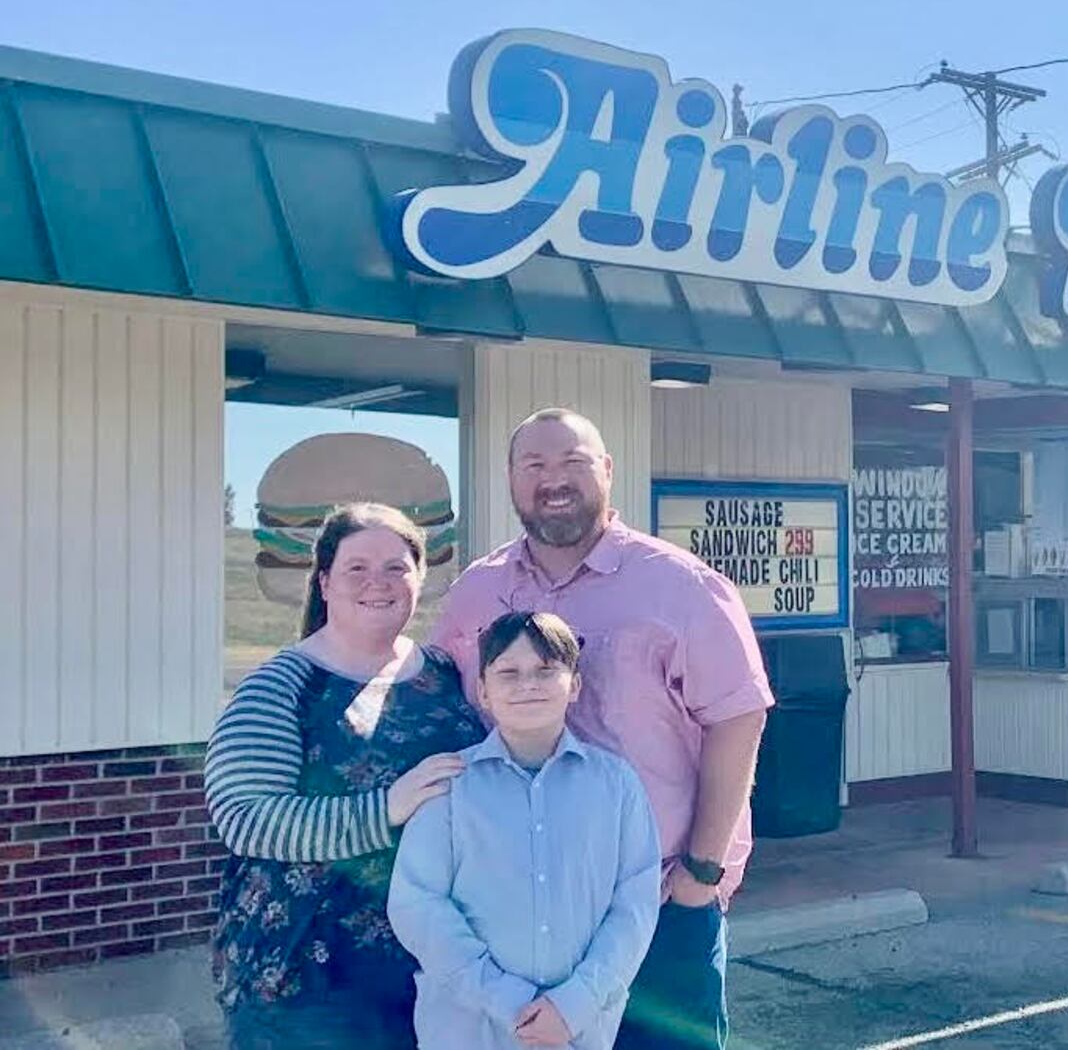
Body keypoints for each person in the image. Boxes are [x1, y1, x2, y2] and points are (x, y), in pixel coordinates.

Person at [432, 408, 772, 1050]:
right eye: (534, 465)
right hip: (515, 907)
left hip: (662, 901)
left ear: (608, 472)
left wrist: (702, 869)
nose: (552, 480)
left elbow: (739, 715)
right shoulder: (477, 593)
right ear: (510, 478)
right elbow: (445, 706)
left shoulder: (681, 586)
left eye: (573, 463)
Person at [206, 503, 486, 1050]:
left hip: (435, 963)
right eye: (357, 568)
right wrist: (385, 808)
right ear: (325, 582)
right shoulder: (284, 685)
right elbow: (246, 820)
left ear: (420, 580)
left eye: (396, 567)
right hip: (306, 975)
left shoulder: (447, 675)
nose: (377, 583)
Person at [388, 611, 660, 1050]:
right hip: (468, 1026)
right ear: (483, 691)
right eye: (508, 673)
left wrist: (575, 1003)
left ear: (574, 686)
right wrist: (506, 999)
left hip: (576, 1030)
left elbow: (636, 904)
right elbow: (417, 903)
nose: (527, 684)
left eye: (545, 671)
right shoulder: (449, 786)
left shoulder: (616, 785)